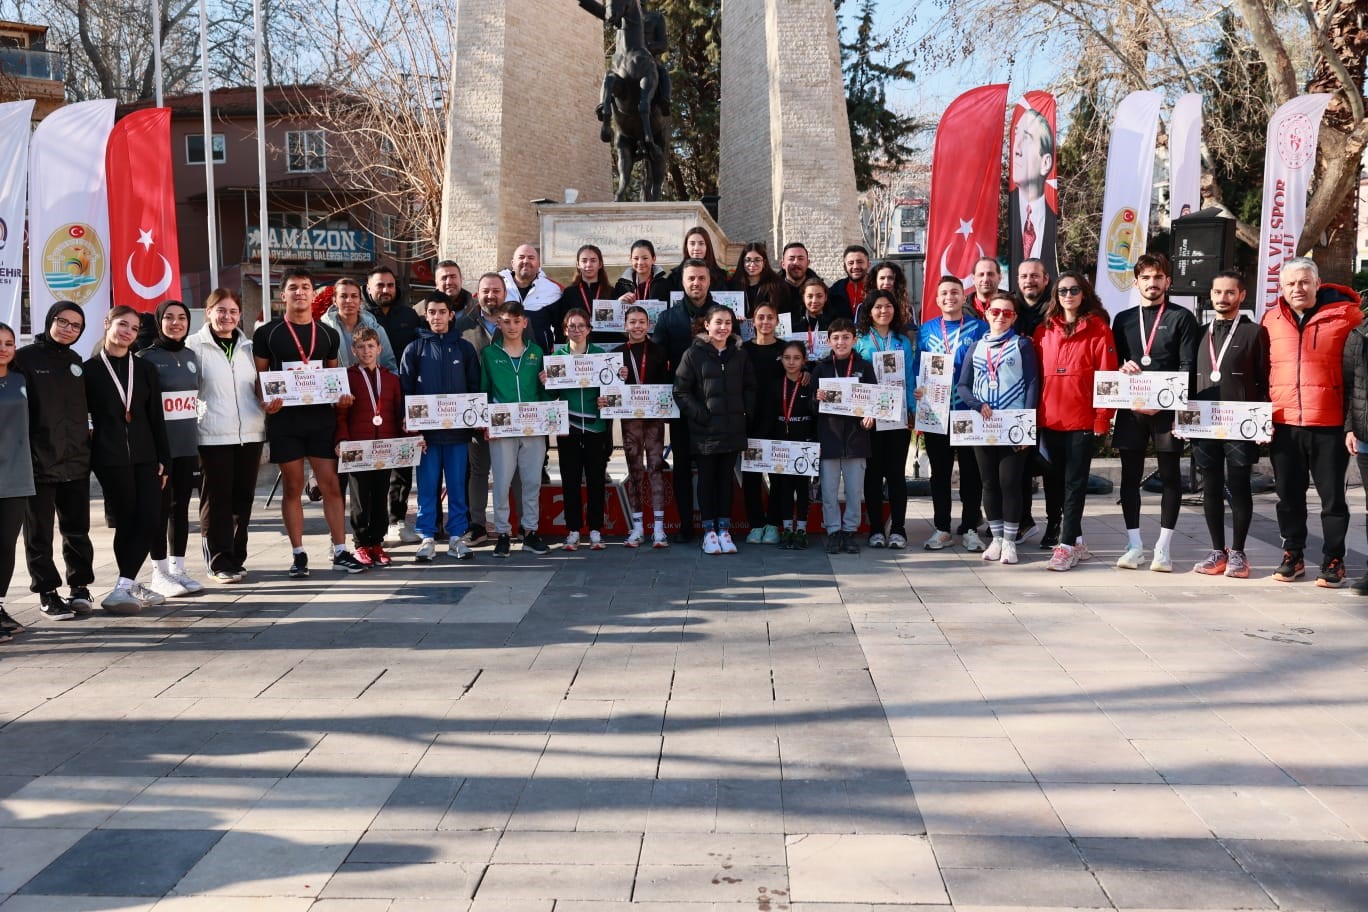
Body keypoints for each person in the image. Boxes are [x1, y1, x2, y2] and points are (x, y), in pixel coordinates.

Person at [254, 267, 367, 577]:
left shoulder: (327, 333)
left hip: (320, 420)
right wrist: (266, 401)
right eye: (293, 287)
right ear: (283, 294)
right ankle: (298, 553)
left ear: (313, 293)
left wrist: (340, 398)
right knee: (292, 487)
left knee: (331, 485)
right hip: (285, 421)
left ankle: (341, 550)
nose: (300, 292)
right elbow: (260, 378)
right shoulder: (268, 333)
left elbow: (332, 379)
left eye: (305, 287)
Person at [1264, 256, 1360, 586]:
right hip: (1284, 423)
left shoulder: (1347, 316)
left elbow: (1358, 377)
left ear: (1317, 283)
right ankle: (1293, 554)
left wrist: (1351, 424)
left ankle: (1334, 559)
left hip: (1329, 425)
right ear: (1281, 287)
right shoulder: (1271, 319)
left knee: (1333, 499)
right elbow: (1263, 373)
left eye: (1304, 282)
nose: (1298, 288)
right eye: (1290, 283)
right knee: (1288, 496)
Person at [1111, 253, 1199, 573]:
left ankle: (1163, 547)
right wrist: (1122, 368)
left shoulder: (1182, 318)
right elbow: (1114, 365)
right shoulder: (1122, 319)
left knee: (1171, 476)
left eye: (1158, 277)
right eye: (1146, 277)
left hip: (1167, 411)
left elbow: (1189, 366)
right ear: (1136, 283)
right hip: (1133, 408)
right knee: (1129, 478)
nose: (1152, 283)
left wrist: (1167, 402)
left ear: (1168, 282)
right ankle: (1134, 545)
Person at [86, 305, 171, 613]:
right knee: (127, 522)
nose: (127, 332)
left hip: (147, 455)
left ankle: (124, 586)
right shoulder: (89, 370)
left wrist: (165, 457)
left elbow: (156, 418)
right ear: (107, 323)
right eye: (123, 324)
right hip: (110, 459)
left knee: (149, 519)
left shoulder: (145, 368)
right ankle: (129, 584)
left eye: (134, 329)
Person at [1186, 270, 1269, 579]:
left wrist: (1261, 422)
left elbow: (1264, 381)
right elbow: (1188, 380)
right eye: (1218, 292)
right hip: (1205, 423)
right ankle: (1217, 551)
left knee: (1238, 486)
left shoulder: (1254, 332)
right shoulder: (1198, 332)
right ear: (1211, 295)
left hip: (1240, 424)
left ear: (1241, 296)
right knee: (1210, 487)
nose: (1223, 298)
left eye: (1229, 292)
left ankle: (1238, 552)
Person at [17, 302, 97, 618]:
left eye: (75, 325)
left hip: (75, 461)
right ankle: (47, 592)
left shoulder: (77, 363)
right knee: (39, 534)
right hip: (38, 463)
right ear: (50, 320)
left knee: (77, 529)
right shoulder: (25, 359)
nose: (68, 328)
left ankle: (79, 587)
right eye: (63, 321)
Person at [1033, 272, 1116, 572]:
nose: (1068, 295)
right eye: (1063, 290)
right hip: (1049, 420)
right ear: (1055, 295)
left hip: (1082, 422)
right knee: (1053, 485)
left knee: (1074, 485)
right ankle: (1075, 539)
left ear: (1084, 294)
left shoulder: (1099, 330)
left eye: (1074, 290)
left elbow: (1107, 379)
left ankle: (1066, 546)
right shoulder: (1043, 331)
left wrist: (1102, 419)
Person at [187, 288, 265, 583]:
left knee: (243, 499)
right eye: (220, 310)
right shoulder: (194, 345)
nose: (227, 317)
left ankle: (236, 556)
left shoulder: (249, 347)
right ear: (208, 312)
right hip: (212, 434)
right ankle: (218, 560)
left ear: (240, 315)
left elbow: (259, 385)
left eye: (233, 311)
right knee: (216, 500)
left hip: (250, 432)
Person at [957, 294, 1040, 564]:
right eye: (995, 311)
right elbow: (963, 386)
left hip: (1013, 425)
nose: (1000, 316)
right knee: (989, 483)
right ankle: (996, 538)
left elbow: (1032, 384)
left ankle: (1011, 542)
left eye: (1007, 313)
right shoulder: (976, 347)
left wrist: (1027, 424)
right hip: (983, 425)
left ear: (1014, 317)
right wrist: (976, 403)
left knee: (1010, 483)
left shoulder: (1022, 345)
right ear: (987, 314)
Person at [401, 291, 481, 561]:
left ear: (451, 315)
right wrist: (412, 425)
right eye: (432, 312)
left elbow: (474, 388)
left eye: (442, 312)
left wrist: (473, 422)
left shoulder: (464, 348)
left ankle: (457, 536)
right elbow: (406, 390)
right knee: (427, 486)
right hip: (428, 436)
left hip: (458, 434)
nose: (437, 317)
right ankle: (427, 536)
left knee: (458, 485)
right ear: (426, 315)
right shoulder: (415, 349)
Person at [673, 303, 756, 554]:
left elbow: (750, 387)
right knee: (706, 481)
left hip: (732, 429)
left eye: (728, 323)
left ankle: (724, 529)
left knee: (726, 480)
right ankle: (709, 531)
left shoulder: (739, 354)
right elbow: (680, 390)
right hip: (705, 432)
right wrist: (701, 415)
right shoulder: (693, 354)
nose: (723, 327)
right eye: (718, 322)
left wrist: (745, 413)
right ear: (707, 325)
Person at [914, 276, 988, 551]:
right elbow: (917, 368)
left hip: (968, 410)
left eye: (955, 292)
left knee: (971, 471)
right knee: (940, 473)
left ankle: (970, 527)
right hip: (936, 411)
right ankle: (942, 528)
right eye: (944, 293)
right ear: (936, 299)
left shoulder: (979, 328)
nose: (949, 297)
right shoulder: (926, 330)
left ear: (962, 296)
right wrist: (918, 390)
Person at [139, 300, 204, 598]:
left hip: (187, 446)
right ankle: (159, 572)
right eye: (169, 317)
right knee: (159, 509)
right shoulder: (146, 358)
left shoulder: (192, 356)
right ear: (159, 321)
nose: (176, 323)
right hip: (159, 450)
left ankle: (178, 569)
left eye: (181, 318)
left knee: (181, 509)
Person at [653, 258, 718, 543]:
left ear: (709, 281)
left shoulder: (722, 315)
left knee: (709, 466)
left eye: (701, 278)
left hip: (713, 403)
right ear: (682, 281)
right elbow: (656, 359)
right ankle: (685, 526)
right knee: (681, 466)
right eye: (691, 278)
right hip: (680, 403)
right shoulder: (669, 318)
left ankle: (711, 524)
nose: (696, 283)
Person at [483, 300, 552, 557]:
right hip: (502, 428)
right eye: (506, 321)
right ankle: (503, 533)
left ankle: (530, 531)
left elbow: (545, 393)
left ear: (525, 323)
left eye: (516, 321)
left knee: (532, 481)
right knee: (501, 482)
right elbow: (484, 390)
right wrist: (485, 422)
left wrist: (550, 391)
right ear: (498, 323)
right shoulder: (490, 354)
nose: (511, 326)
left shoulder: (536, 352)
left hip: (534, 428)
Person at [336, 327, 410, 566]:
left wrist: (409, 437)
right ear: (353, 350)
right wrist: (342, 440)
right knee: (360, 499)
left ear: (379, 349)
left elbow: (400, 413)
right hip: (358, 449)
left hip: (385, 449)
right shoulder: (347, 378)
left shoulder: (391, 379)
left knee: (380, 497)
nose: (366, 351)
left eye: (371, 346)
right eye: (361, 347)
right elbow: (340, 415)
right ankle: (361, 544)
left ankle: (377, 543)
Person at [362, 264, 421, 544]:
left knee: (402, 458)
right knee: (370, 462)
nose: (385, 290)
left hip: (402, 394)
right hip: (367, 397)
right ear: (369, 287)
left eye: (389, 285)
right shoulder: (361, 316)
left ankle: (397, 518)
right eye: (379, 285)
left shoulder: (409, 316)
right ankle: (371, 523)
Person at [855, 289, 916, 548]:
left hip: (898, 416)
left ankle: (899, 529)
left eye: (888, 306)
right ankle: (876, 529)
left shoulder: (902, 341)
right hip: (871, 418)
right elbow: (855, 380)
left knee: (896, 474)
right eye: (878, 307)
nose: (883, 311)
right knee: (872, 474)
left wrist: (912, 408)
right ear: (869, 312)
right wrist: (863, 411)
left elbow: (911, 376)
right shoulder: (860, 343)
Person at [814, 318, 876, 554]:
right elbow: (810, 405)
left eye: (846, 337)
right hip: (829, 438)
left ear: (854, 340)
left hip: (856, 439)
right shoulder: (820, 368)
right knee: (829, 491)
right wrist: (816, 398)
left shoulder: (864, 366)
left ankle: (849, 531)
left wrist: (871, 416)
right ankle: (833, 531)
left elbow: (874, 399)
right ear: (829, 341)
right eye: (836, 338)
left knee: (853, 490)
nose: (841, 342)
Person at [553, 309, 612, 550]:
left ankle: (596, 529)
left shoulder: (601, 356)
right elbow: (551, 395)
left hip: (596, 428)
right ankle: (574, 530)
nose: (576, 330)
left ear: (589, 329)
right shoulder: (557, 356)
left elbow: (611, 389)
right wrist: (546, 380)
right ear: (565, 330)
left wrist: (605, 398)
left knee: (596, 480)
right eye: (571, 326)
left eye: (581, 326)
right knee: (570, 481)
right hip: (568, 428)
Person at [454, 273, 506, 546]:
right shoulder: (462, 325)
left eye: (496, 291)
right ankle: (477, 525)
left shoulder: (517, 322)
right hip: (476, 410)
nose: (491, 296)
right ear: (478, 294)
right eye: (486, 291)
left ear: (505, 294)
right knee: (478, 470)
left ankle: (512, 524)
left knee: (512, 470)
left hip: (511, 409)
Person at [617, 305, 671, 548]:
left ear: (649, 325)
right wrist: (619, 377)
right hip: (630, 420)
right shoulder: (617, 354)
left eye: (642, 322)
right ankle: (637, 527)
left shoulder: (659, 352)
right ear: (625, 325)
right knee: (635, 470)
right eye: (632, 322)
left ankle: (659, 528)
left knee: (656, 468)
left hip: (653, 420)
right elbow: (609, 390)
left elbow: (667, 385)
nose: (637, 326)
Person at [1013, 257, 1053, 543]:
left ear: (1046, 279)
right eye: (1024, 276)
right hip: (1017, 399)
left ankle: (1055, 523)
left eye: (1035, 276)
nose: (1030, 280)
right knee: (1020, 465)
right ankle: (1023, 520)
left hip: (1051, 399)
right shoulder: (1010, 310)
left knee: (1051, 466)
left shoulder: (1055, 310)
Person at [0, 322, 33, 638]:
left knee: (6, 545)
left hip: (17, 475)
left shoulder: (21, 380)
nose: (4, 348)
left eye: (9, 343)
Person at [742, 301, 785, 543]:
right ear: (753, 321)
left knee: (778, 474)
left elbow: (799, 370)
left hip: (779, 418)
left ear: (777, 321)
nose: (765, 322)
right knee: (752, 474)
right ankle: (755, 524)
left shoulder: (785, 349)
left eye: (770, 317)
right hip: (751, 419)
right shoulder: (743, 350)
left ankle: (773, 524)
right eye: (761, 317)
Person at [771, 340, 817, 549]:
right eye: (787, 358)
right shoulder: (775, 384)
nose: (791, 362)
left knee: (803, 487)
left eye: (797, 358)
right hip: (782, 443)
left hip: (805, 443)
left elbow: (817, 414)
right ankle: (787, 528)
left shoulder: (810, 382)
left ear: (804, 361)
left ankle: (802, 529)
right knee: (784, 487)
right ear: (781, 359)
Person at [1009, 107, 1058, 278]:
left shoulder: (1055, 222)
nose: (1016, 148)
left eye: (1027, 139)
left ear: (1045, 163)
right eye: (1016, 136)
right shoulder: (1003, 219)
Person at [500, 244, 563, 356]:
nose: (526, 261)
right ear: (512, 263)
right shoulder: (498, 287)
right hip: (504, 359)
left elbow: (561, 329)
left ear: (538, 264)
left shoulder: (552, 290)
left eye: (531, 258)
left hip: (540, 360)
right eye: (521, 257)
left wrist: (556, 360)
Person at [321, 277, 397, 371]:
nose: (349, 301)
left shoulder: (376, 329)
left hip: (372, 385)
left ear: (361, 301)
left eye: (354, 296)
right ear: (334, 301)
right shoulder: (324, 330)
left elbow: (390, 366)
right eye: (343, 296)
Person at [557, 244, 616, 345]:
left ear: (600, 264)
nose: (588, 265)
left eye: (593, 260)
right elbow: (562, 324)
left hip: (606, 346)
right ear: (578, 264)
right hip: (578, 348)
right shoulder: (569, 293)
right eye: (584, 261)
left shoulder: (611, 292)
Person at [665, 227, 728, 295]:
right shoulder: (674, 277)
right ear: (686, 247)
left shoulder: (720, 276)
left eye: (701, 243)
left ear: (707, 246)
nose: (696, 248)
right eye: (692, 243)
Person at [729, 242, 784, 317]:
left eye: (757, 260)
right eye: (747, 260)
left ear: (764, 262)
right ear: (742, 262)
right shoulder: (732, 285)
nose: (752, 264)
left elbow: (784, 313)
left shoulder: (777, 285)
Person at [777, 242, 822, 316]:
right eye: (791, 259)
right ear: (783, 264)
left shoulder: (821, 291)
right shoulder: (771, 292)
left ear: (808, 263)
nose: (796, 263)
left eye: (801, 259)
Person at [615, 239, 667, 303]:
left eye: (645, 258)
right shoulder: (621, 286)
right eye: (636, 258)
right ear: (631, 259)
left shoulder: (665, 284)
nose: (640, 262)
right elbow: (614, 310)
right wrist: (618, 302)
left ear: (653, 259)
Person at [828, 245, 871, 323]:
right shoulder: (835, 291)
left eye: (860, 262)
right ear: (845, 267)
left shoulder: (877, 288)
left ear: (868, 264)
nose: (855, 266)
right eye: (851, 263)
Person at [872, 260, 917, 331]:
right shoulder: (864, 306)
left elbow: (911, 337)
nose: (886, 282)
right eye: (882, 278)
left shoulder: (907, 308)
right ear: (875, 281)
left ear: (896, 281)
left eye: (890, 278)